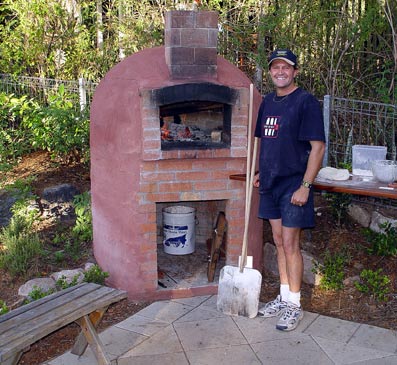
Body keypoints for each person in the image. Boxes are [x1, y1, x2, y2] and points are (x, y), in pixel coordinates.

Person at [254, 49, 326, 331]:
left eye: (286, 67)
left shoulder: (305, 102)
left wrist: (305, 186)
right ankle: (284, 298)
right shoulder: (267, 103)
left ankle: (294, 305)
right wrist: (261, 171)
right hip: (270, 183)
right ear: (271, 72)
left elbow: (318, 148)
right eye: (275, 67)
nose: (280, 72)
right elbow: (265, 141)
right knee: (278, 240)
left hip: (294, 184)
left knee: (290, 243)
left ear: (295, 71)